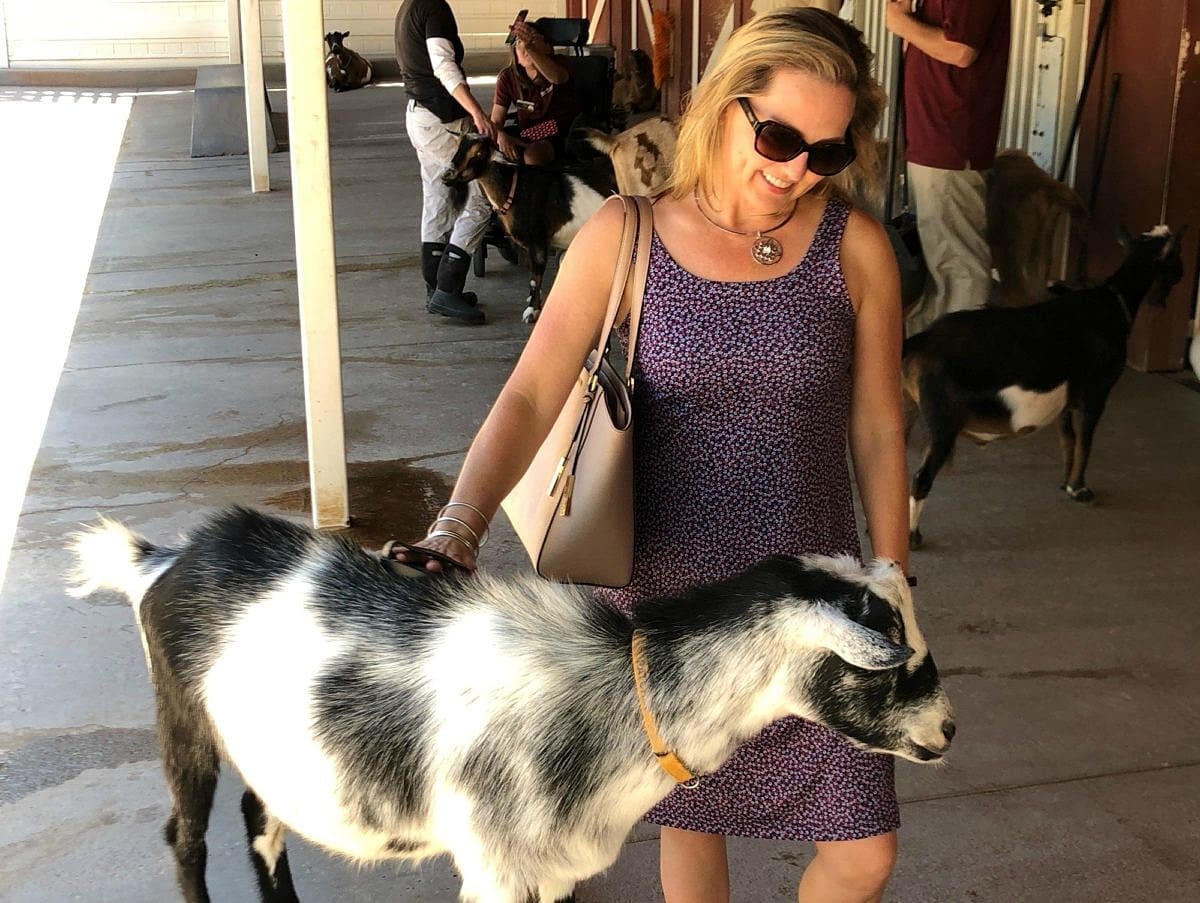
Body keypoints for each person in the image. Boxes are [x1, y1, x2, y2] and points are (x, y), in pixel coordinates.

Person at [391, 7, 910, 901]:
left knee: (864, 849)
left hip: (813, 599)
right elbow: (529, 392)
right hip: (673, 601)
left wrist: (893, 575)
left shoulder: (854, 246)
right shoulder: (626, 235)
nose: (795, 171)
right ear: (725, 104)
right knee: (693, 822)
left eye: (824, 152)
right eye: (779, 136)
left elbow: (877, 425)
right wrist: (458, 525)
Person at [886, 0, 1011, 335]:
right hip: (935, 136)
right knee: (942, 257)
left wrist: (901, 23)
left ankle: (962, 361)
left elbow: (960, 50)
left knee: (960, 262)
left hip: (950, 139)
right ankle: (935, 351)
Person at [395, 0, 498, 325]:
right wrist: (477, 111)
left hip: (420, 116)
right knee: (481, 197)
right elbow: (443, 65)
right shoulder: (434, 8)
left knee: (438, 198)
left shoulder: (410, 7)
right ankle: (447, 289)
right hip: (441, 121)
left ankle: (436, 289)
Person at [490, 18, 582, 166]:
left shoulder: (560, 63)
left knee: (533, 155)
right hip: (525, 131)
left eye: (533, 39)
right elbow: (496, 120)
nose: (525, 47)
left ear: (547, 46)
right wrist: (501, 136)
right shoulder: (507, 77)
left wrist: (530, 47)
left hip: (560, 132)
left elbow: (558, 78)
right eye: (520, 42)